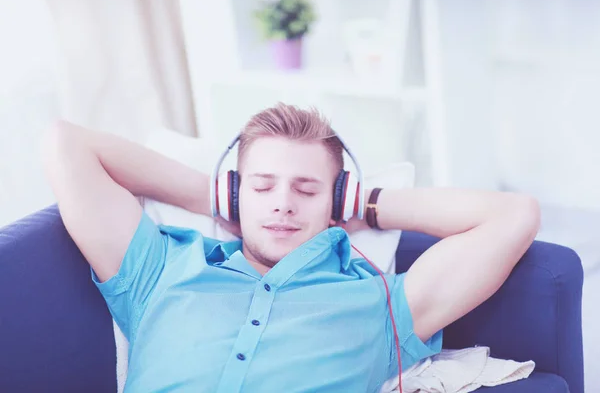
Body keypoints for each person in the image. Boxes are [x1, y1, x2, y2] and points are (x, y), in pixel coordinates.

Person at [43, 103, 540, 392]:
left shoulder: (380, 304)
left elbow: (514, 215)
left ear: (335, 201)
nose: (282, 205)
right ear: (235, 191)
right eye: (262, 188)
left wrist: (364, 203)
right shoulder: (162, 270)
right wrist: (218, 200)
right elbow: (67, 142)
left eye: (305, 190)